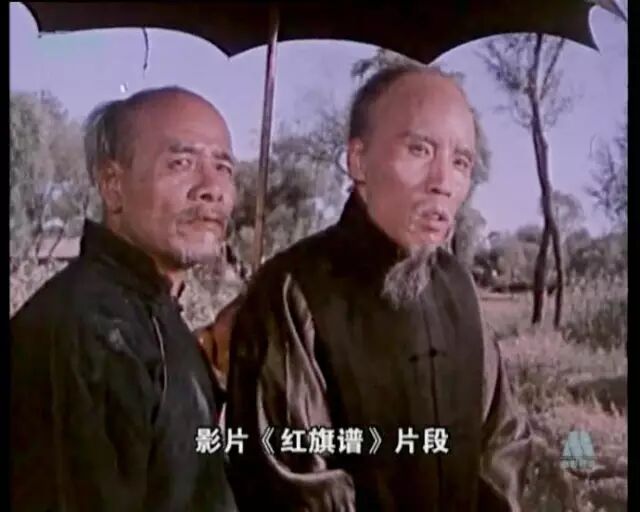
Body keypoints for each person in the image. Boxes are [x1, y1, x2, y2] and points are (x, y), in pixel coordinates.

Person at [226, 65, 533, 511]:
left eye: (461, 162)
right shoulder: (295, 290)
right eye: (419, 149)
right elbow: (293, 481)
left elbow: (503, 441)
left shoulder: (459, 288)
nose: (443, 182)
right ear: (358, 160)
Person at [11, 86, 238, 511]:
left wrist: (211, 372)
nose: (212, 188)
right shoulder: (93, 329)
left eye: (223, 167)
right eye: (181, 163)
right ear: (113, 185)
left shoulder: (148, 310)